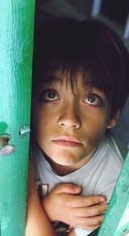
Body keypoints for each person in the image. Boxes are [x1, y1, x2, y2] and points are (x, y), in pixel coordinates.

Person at [25, 17, 129, 236]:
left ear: (112, 116)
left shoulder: (116, 179)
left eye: (91, 99)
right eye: (51, 95)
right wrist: (48, 210)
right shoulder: (16, 149)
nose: (70, 119)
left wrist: (41, 210)